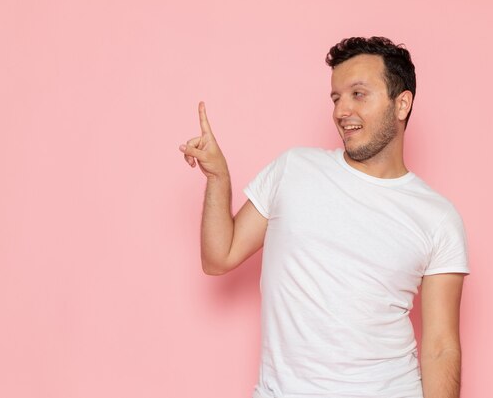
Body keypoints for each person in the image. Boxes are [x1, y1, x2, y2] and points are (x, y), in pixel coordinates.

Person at [178, 36, 469, 398]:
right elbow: (219, 257)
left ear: (402, 103)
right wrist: (219, 178)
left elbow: (441, 347)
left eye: (358, 94)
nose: (341, 110)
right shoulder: (294, 169)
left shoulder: (437, 217)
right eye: (336, 98)